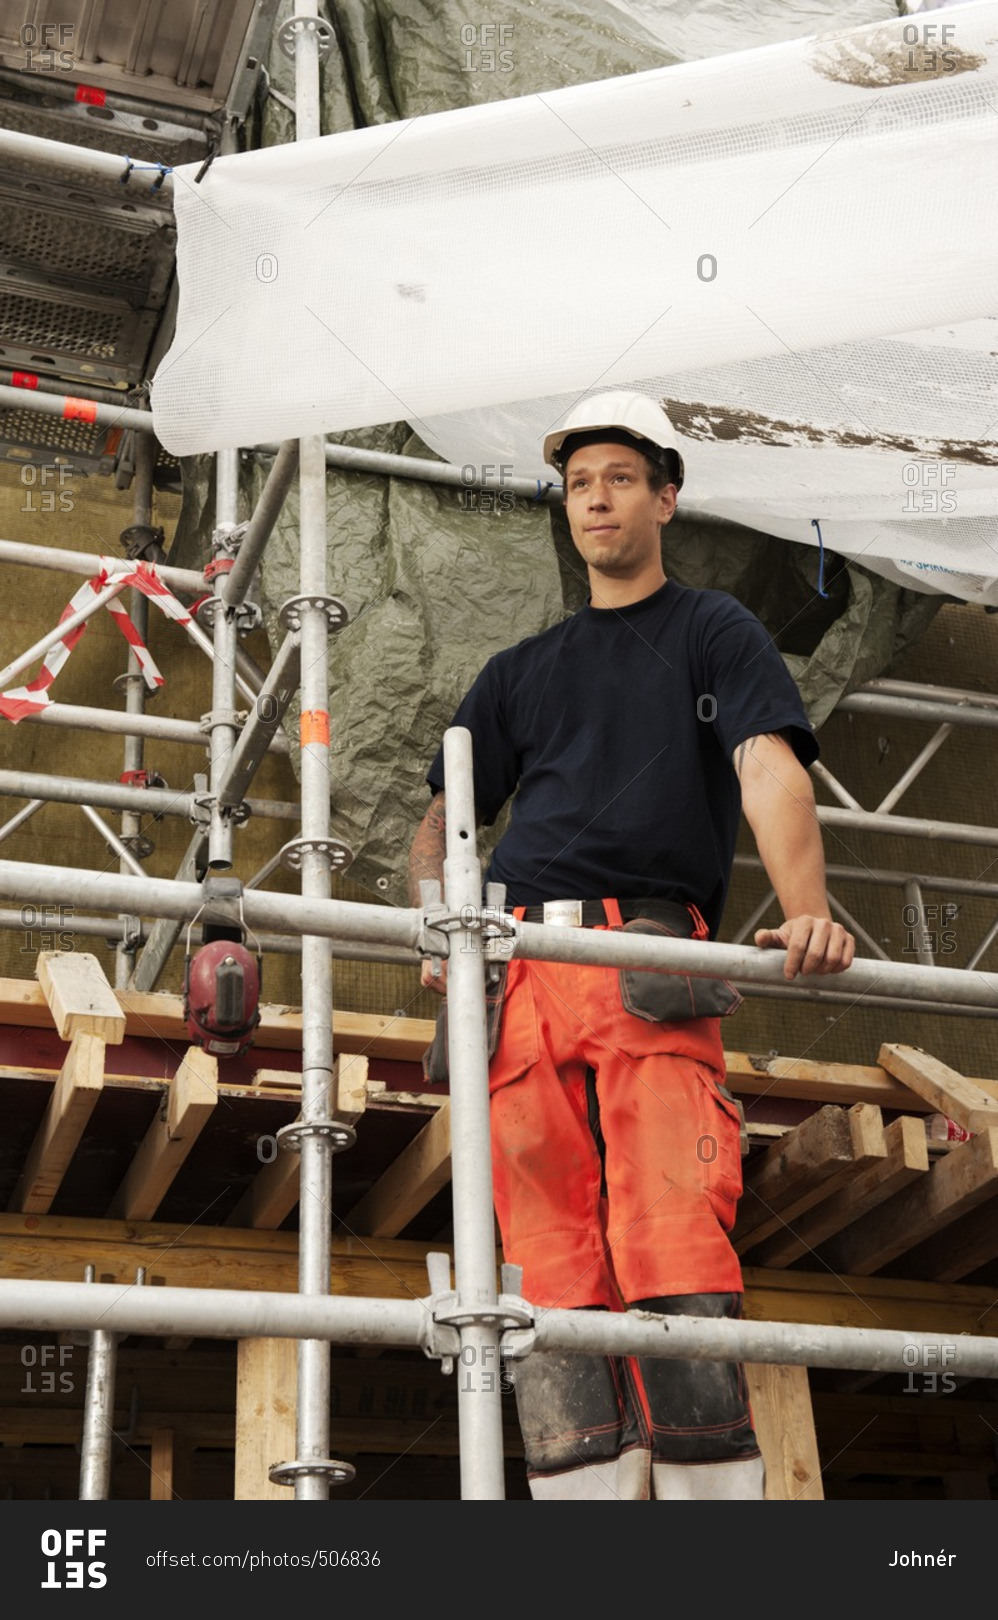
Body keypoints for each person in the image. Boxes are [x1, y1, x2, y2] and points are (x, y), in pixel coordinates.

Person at [408, 390, 855, 1501]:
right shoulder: (521, 670)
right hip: (520, 973)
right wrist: (436, 925)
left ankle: (706, 1516)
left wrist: (807, 906)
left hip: (646, 959)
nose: (593, 501)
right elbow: (442, 819)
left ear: (664, 496)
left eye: (617, 479)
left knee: (667, 1228)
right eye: (576, 484)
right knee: (543, 1251)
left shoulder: (711, 630)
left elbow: (764, 763)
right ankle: (582, 1509)